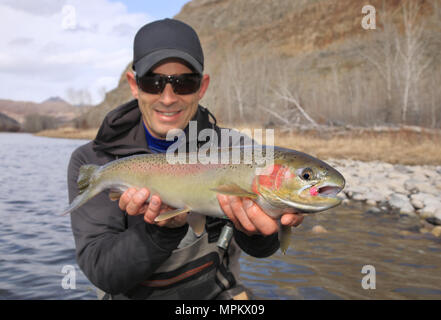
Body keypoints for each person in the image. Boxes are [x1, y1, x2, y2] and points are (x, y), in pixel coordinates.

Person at [67, 18, 304, 300]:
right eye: (153, 82)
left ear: (201, 87)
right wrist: (160, 231)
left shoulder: (239, 150)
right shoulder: (94, 161)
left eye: (184, 83)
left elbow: (263, 248)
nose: (168, 98)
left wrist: (261, 231)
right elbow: (103, 271)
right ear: (134, 84)